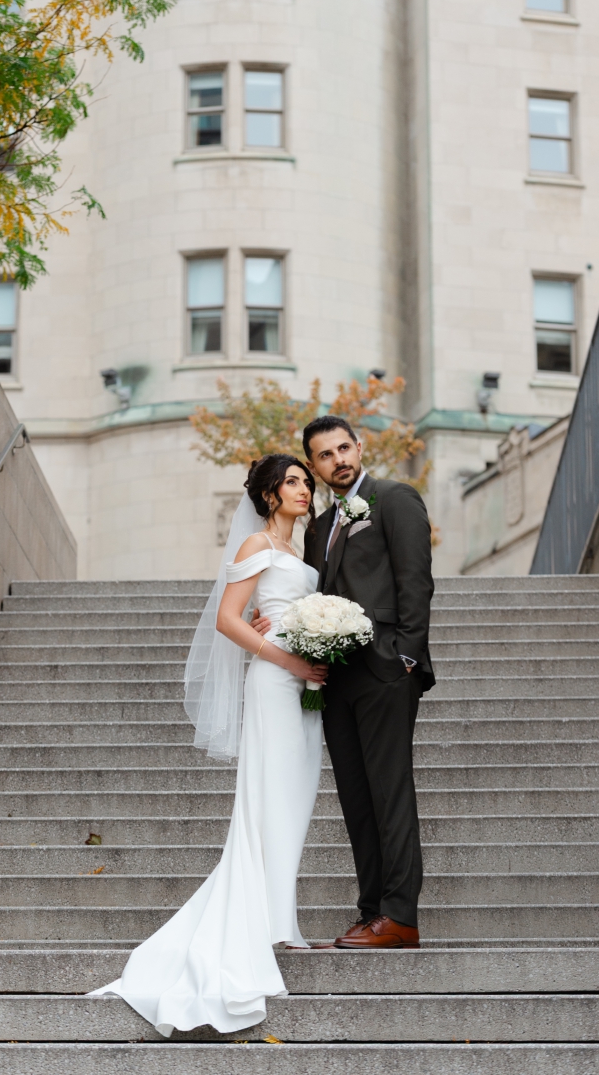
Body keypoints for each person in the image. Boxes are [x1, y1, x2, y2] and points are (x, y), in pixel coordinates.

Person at [89, 454, 328, 1034]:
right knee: (270, 801)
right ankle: (269, 926)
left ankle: (281, 922)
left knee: (296, 805)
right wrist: (286, 656)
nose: (303, 489)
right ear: (269, 495)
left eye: (305, 481)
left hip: (308, 687)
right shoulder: (254, 546)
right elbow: (229, 618)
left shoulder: (303, 552)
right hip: (275, 684)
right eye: (291, 482)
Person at [293, 415, 433, 949]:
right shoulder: (319, 526)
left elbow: (415, 580)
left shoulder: (394, 498)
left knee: (389, 791)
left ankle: (400, 916)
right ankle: (371, 910)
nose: (338, 461)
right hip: (336, 681)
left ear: (359, 446)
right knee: (356, 798)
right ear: (313, 465)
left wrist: (405, 657)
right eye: (325, 456)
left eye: (343, 448)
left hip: (384, 669)